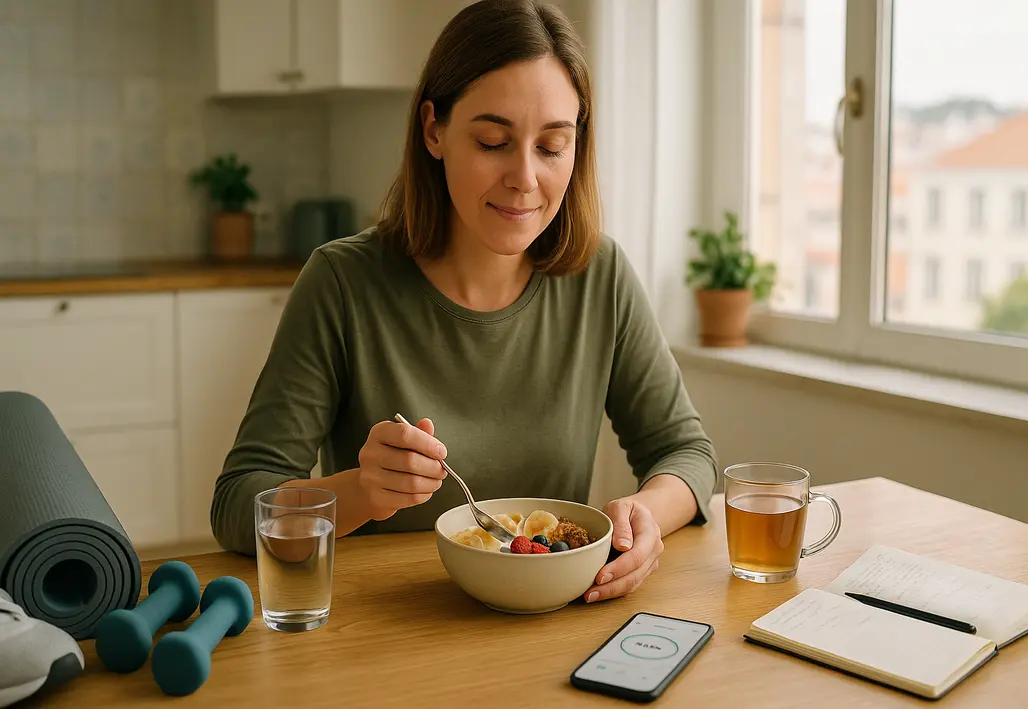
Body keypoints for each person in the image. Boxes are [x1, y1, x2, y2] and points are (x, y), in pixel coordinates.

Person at [210, 0, 717, 605]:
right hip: (387, 634)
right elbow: (240, 503)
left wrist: (645, 516)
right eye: (494, 141)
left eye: (553, 147)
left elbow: (686, 453)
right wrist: (360, 491)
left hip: (551, 630)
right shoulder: (342, 283)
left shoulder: (599, 275)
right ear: (434, 131)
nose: (525, 177)